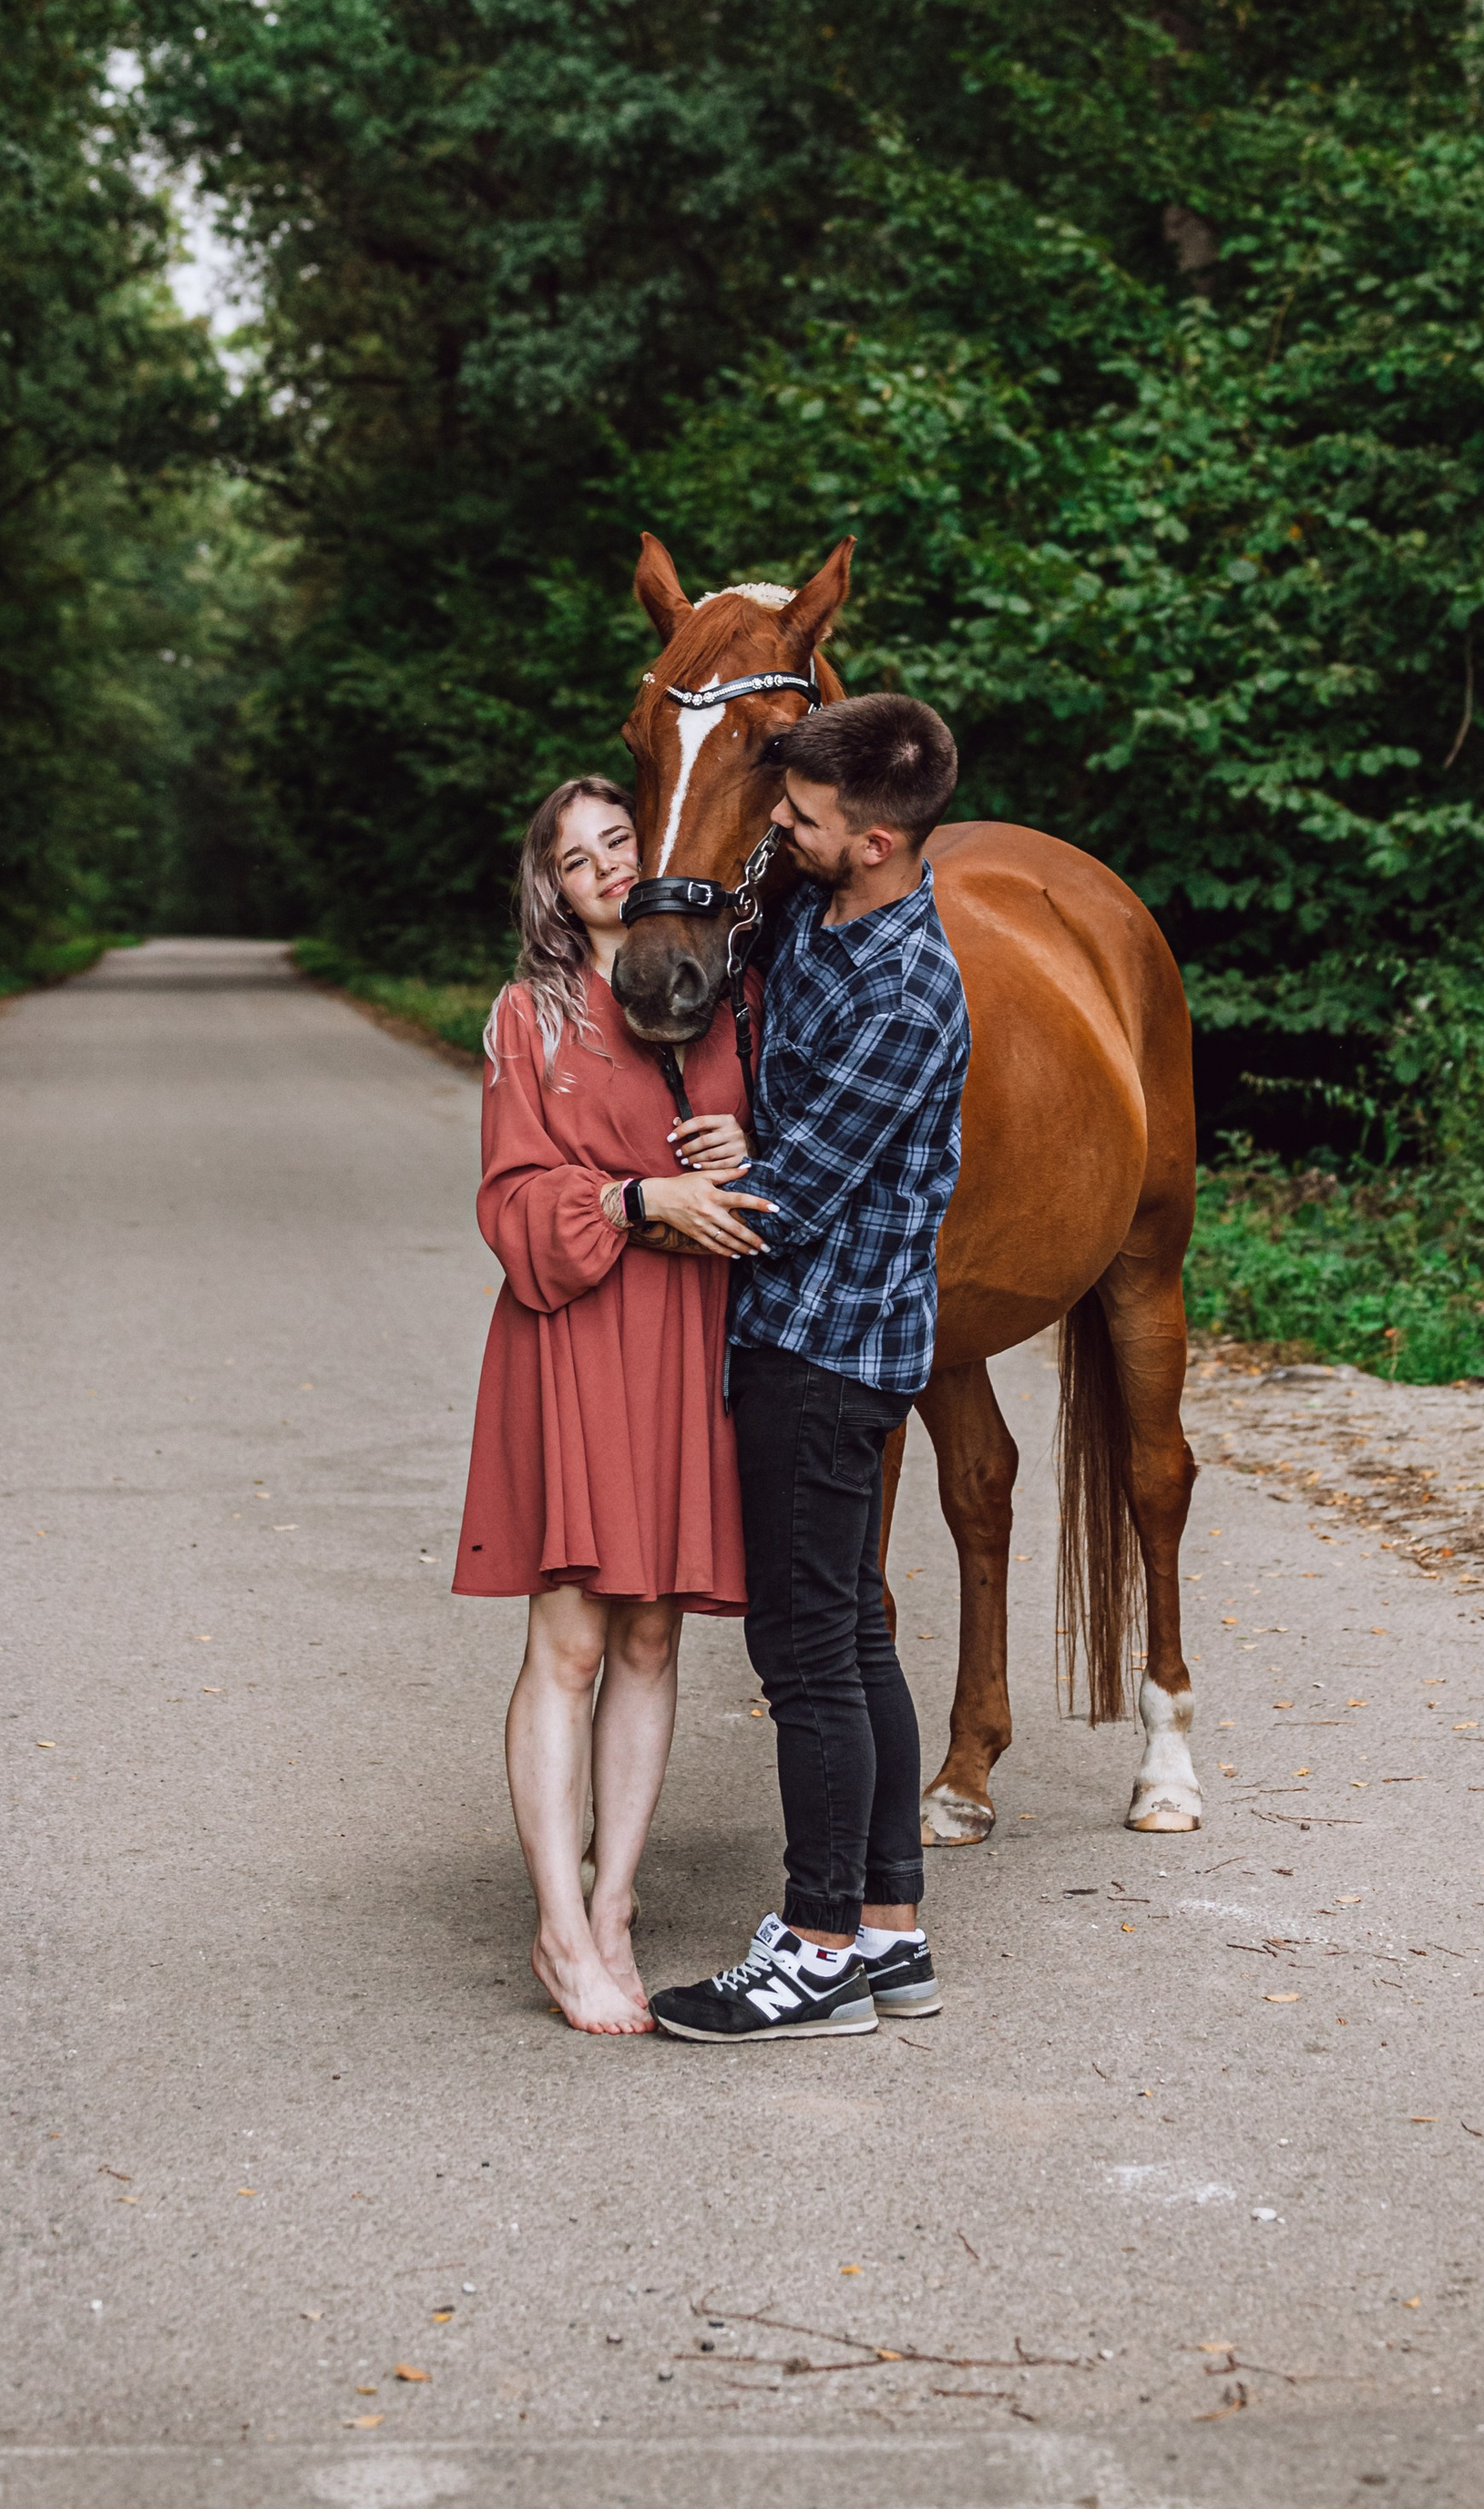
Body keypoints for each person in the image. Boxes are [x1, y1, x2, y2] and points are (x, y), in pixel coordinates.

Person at [647, 693, 972, 2043]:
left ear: (882, 843)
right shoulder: (812, 911)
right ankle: (892, 1934)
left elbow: (805, 1195)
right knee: (854, 1628)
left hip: (824, 1346)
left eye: (804, 821)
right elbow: (772, 1088)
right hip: (811, 1330)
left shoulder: (911, 984)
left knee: (805, 1653)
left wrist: (644, 1199)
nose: (777, 833)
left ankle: (817, 1944)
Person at [455, 774, 764, 2034]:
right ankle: (559, 1928)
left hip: (686, 1342)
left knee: (652, 1638)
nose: (600, 867)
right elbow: (510, 1205)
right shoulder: (529, 1016)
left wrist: (739, 1156)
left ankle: (620, 1901)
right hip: (576, 1338)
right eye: (573, 857)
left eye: (616, 841)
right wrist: (637, 1204)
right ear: (551, 886)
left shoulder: (710, 995)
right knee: (571, 1645)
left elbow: (757, 1150)